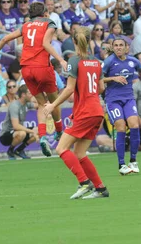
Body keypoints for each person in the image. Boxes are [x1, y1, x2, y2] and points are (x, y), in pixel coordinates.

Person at [43, 26, 109, 199]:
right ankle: (101, 189)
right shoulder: (96, 62)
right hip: (97, 111)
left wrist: (52, 105)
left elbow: (69, 89)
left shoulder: (74, 61)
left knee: (61, 148)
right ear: (89, 41)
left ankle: (84, 183)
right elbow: (101, 88)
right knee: (79, 153)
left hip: (86, 112)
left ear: (73, 41)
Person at [0, 2, 67, 157]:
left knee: (41, 103)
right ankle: (59, 132)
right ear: (45, 13)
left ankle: (42, 137)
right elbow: (46, 44)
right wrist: (60, 60)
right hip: (42, 67)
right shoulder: (49, 23)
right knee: (53, 102)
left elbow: (6, 38)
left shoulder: (26, 25)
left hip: (26, 69)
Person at [103, 37, 141, 175]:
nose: (118, 47)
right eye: (116, 45)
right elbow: (98, 79)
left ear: (126, 48)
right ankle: (121, 164)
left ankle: (133, 161)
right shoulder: (109, 62)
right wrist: (113, 78)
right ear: (113, 48)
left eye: (121, 45)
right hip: (113, 100)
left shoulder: (133, 61)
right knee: (120, 126)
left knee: (134, 125)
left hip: (128, 99)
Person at [0, 85, 38, 160]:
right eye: (29, 93)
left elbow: (38, 105)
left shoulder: (26, 104)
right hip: (6, 134)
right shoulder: (14, 106)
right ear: (23, 95)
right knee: (22, 133)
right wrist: (32, 131)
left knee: (40, 130)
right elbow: (16, 126)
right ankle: (10, 151)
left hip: (18, 132)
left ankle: (19, 150)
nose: (31, 95)